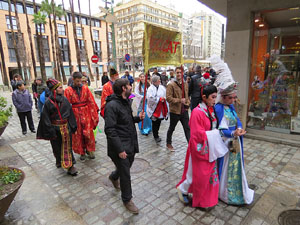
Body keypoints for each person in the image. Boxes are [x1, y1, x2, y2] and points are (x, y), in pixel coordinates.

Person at [210, 55, 254, 205]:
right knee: (226, 169)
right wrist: (232, 133)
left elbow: (237, 120)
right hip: (225, 145)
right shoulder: (219, 108)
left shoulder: (230, 107)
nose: (234, 100)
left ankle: (236, 191)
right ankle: (224, 193)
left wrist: (240, 128)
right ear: (224, 97)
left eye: (235, 97)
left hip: (235, 144)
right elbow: (220, 130)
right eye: (232, 98)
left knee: (235, 169)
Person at [176, 84, 228, 208]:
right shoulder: (196, 112)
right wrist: (216, 134)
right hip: (200, 148)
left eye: (216, 97)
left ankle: (206, 200)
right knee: (196, 176)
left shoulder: (211, 110)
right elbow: (196, 134)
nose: (215, 100)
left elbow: (214, 126)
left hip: (210, 147)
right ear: (204, 97)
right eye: (213, 97)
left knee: (208, 177)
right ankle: (184, 190)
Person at [104, 78, 145, 214]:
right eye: (129, 86)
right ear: (123, 88)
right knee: (126, 173)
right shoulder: (112, 106)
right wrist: (120, 149)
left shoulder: (126, 101)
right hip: (120, 146)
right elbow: (110, 130)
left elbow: (126, 120)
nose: (131, 88)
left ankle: (114, 177)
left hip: (130, 142)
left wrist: (138, 118)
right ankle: (127, 199)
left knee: (126, 167)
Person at [37, 78, 78, 176]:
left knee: (67, 147)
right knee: (56, 147)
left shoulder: (64, 100)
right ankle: (59, 160)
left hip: (65, 127)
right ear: (54, 90)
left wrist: (72, 125)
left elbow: (70, 113)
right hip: (55, 128)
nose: (62, 89)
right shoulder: (48, 103)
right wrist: (50, 130)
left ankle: (70, 165)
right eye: (60, 88)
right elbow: (45, 118)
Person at [64, 72, 99, 160]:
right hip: (75, 114)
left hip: (86, 113)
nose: (79, 83)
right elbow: (66, 104)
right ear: (73, 80)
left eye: (80, 81)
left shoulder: (86, 89)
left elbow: (91, 101)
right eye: (77, 81)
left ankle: (90, 149)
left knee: (88, 132)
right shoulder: (68, 90)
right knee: (78, 133)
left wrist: (93, 114)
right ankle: (81, 151)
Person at [166, 67, 190, 151]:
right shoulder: (171, 84)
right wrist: (179, 100)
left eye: (180, 72)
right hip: (175, 111)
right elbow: (168, 98)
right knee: (172, 128)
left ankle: (190, 145)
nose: (179, 74)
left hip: (184, 111)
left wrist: (187, 104)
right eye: (177, 72)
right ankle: (168, 143)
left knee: (187, 128)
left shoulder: (185, 84)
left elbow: (187, 96)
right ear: (175, 73)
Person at [146, 75, 169, 143]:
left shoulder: (162, 87)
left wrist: (163, 99)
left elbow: (165, 95)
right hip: (154, 109)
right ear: (155, 82)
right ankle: (155, 135)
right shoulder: (150, 89)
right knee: (155, 122)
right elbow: (150, 98)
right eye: (158, 80)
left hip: (160, 109)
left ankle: (157, 133)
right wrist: (159, 99)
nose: (160, 81)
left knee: (159, 122)